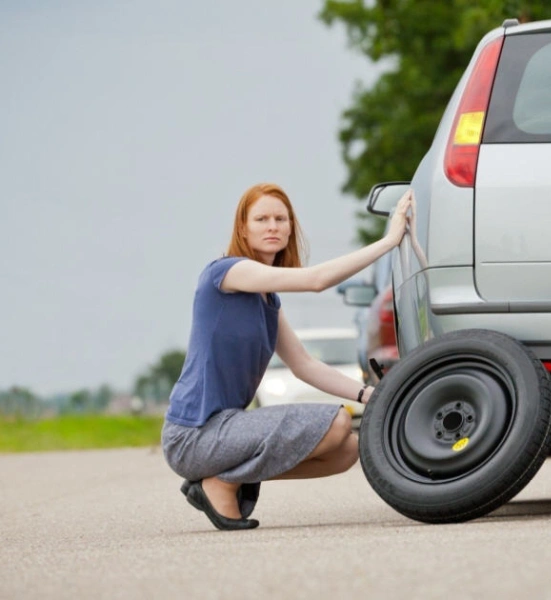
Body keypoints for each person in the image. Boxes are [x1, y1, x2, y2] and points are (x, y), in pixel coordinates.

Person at [161, 182, 414, 531]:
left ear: (290, 228)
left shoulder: (268, 299)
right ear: (243, 228)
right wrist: (389, 241)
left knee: (347, 450)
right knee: (337, 423)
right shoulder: (226, 273)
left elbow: (304, 366)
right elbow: (316, 280)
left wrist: (371, 395)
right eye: (261, 219)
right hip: (193, 435)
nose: (273, 227)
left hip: (227, 430)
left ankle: (223, 478)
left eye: (281, 219)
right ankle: (222, 482)